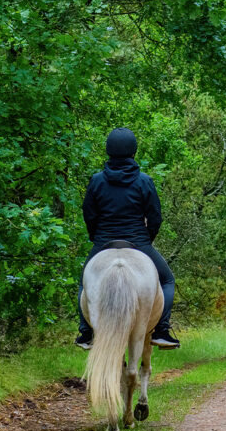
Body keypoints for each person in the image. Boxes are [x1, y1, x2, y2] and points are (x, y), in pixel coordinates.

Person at [76, 128, 179, 350]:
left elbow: (89, 215)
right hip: (138, 243)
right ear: (134, 152)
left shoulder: (96, 181)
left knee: (83, 281)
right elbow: (155, 217)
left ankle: (86, 333)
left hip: (103, 243)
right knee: (167, 281)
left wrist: (96, 238)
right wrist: (146, 240)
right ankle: (161, 330)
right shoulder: (144, 181)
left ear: (108, 151)